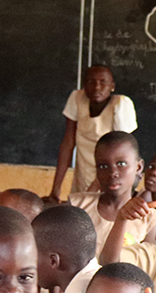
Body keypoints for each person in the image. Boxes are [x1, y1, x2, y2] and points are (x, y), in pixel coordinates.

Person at [49, 65, 136, 200]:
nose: (96, 87)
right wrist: (56, 189)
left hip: (110, 177)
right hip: (83, 173)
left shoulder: (120, 104)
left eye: (103, 82)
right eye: (91, 82)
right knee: (80, 212)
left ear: (112, 86)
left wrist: (95, 187)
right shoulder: (77, 99)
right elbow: (68, 143)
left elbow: (123, 151)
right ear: (84, 85)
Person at [67, 131, 156, 254]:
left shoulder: (148, 218)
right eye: (103, 166)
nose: (112, 173)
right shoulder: (77, 205)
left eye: (121, 164)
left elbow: (148, 267)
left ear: (138, 167)